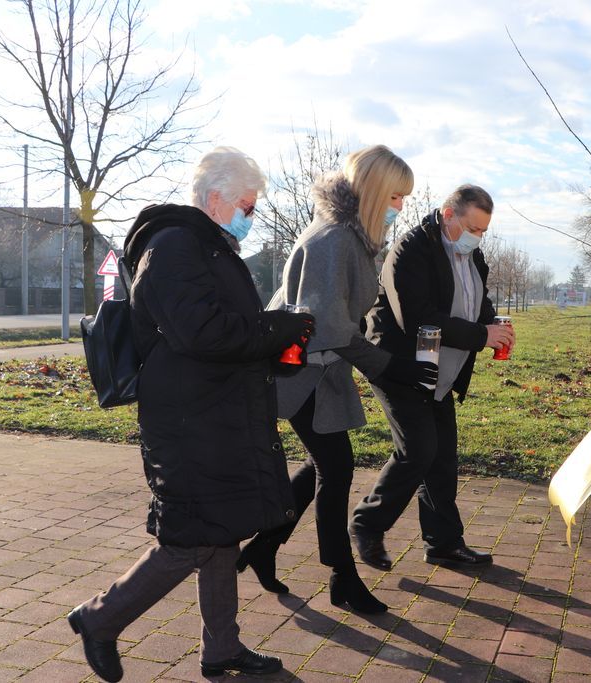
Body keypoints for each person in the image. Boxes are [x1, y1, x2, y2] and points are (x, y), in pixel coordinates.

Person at [66, 147, 314, 682]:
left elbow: (224, 332)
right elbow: (201, 332)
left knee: (223, 530)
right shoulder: (175, 245)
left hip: (213, 416)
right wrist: (276, 330)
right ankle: (100, 619)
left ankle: (222, 648)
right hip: (188, 426)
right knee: (192, 539)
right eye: (247, 205)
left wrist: (278, 341)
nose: (252, 215)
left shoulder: (209, 248)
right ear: (217, 198)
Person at [235, 145, 437, 614]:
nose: (399, 208)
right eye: (395, 198)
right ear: (372, 192)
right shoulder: (335, 239)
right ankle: (341, 578)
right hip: (302, 374)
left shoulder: (348, 235)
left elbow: (342, 318)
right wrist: (388, 365)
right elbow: (330, 325)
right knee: (336, 468)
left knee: (321, 467)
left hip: (319, 372)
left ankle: (265, 548)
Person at [349, 184, 514, 570]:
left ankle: (443, 542)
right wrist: (480, 336)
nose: (476, 237)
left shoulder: (471, 256)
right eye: (472, 227)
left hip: (438, 372)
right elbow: (419, 317)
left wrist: (494, 324)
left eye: (484, 231)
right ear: (447, 213)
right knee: (419, 450)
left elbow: (478, 300)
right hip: (398, 365)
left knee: (441, 457)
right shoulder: (410, 250)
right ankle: (366, 523)